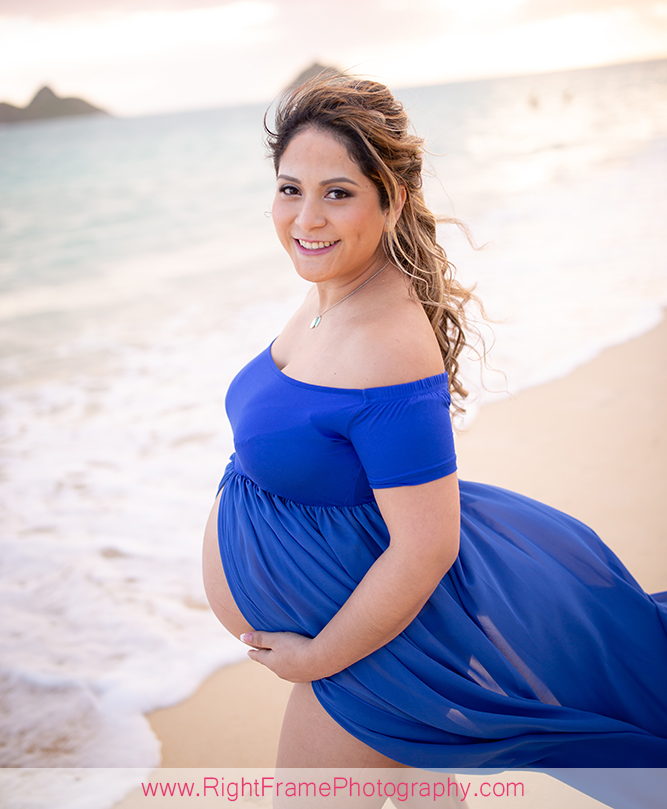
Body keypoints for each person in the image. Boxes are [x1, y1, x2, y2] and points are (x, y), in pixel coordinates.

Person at [202, 75, 667, 786]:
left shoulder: (387, 341)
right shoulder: (330, 294)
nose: (306, 217)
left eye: (338, 192)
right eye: (290, 188)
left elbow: (426, 546)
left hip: (372, 661)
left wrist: (316, 660)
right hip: (362, 640)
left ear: (392, 198)